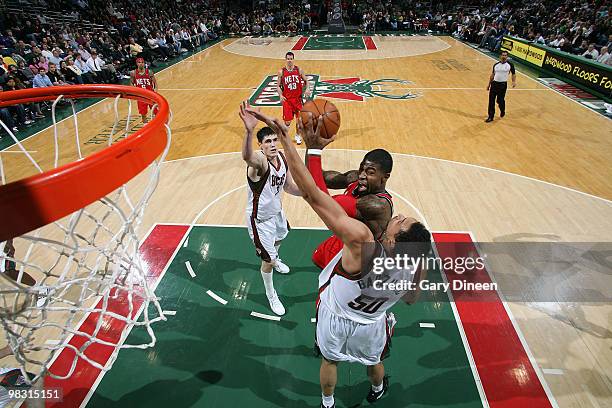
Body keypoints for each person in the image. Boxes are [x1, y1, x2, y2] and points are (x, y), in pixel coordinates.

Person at [244, 106, 431, 408]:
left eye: (402, 221)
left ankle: (328, 404)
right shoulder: (411, 266)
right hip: (371, 322)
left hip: (336, 315)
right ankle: (378, 389)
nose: (401, 216)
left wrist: (293, 144)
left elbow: (314, 194)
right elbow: (410, 298)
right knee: (374, 362)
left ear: (394, 237)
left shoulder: (362, 239)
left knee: (330, 362)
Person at [238, 102, 302, 316]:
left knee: (282, 236)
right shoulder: (259, 164)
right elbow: (247, 157)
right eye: (268, 141)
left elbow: (289, 186)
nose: (273, 144)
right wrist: (249, 131)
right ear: (261, 145)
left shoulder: (281, 158)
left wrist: (309, 194)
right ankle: (271, 294)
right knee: (268, 260)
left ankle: (275, 258)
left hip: (276, 213)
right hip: (260, 220)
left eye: (275, 140)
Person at [304, 142, 394, 269]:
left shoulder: (377, 205)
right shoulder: (355, 177)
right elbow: (317, 175)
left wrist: (314, 150)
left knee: (336, 283)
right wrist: (311, 145)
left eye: (370, 172)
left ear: (385, 177)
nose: (362, 175)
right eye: (362, 169)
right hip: (345, 238)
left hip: (359, 256)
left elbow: (321, 200)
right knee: (318, 262)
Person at [276, 51, 310, 144]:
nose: (289, 61)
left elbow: (307, 81)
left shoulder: (299, 70)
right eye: (288, 59)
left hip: (298, 99)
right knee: (287, 122)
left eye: (291, 59)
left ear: (293, 59)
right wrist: (280, 95)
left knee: (300, 120)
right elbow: (278, 86)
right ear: (285, 59)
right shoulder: (281, 72)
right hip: (287, 100)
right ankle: (284, 135)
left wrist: (307, 89)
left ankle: (298, 135)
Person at [486, 50, 516, 123]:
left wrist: (513, 81)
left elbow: (513, 74)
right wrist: (489, 84)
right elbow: (492, 75)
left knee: (500, 100)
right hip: (494, 84)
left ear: (507, 57)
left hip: (502, 85)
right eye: (503, 55)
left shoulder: (510, 65)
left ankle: (502, 110)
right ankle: (490, 116)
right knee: (491, 101)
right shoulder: (496, 65)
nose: (504, 56)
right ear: (500, 56)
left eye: (505, 55)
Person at [130, 57, 158, 123]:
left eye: (142, 62)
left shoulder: (149, 72)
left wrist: (155, 92)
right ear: (137, 63)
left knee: (156, 112)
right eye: (139, 62)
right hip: (141, 96)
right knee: (143, 114)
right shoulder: (133, 73)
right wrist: (134, 92)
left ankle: (158, 125)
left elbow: (155, 83)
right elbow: (131, 83)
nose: (141, 64)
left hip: (150, 95)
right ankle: (145, 125)